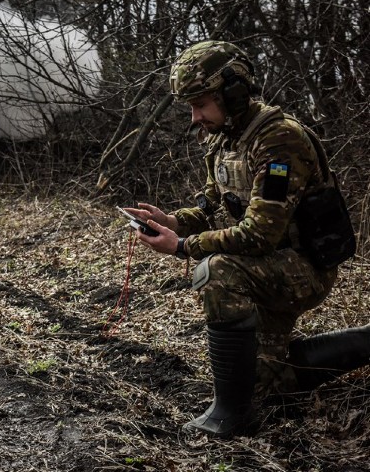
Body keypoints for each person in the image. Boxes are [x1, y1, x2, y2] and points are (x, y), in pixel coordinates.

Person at [124, 40, 369, 438]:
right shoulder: (223, 139)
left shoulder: (279, 142)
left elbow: (259, 234)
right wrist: (170, 220)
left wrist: (184, 247)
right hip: (269, 266)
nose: (194, 117)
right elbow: (209, 208)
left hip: (302, 269)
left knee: (215, 271)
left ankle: (232, 413)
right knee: (270, 385)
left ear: (233, 93)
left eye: (201, 104)